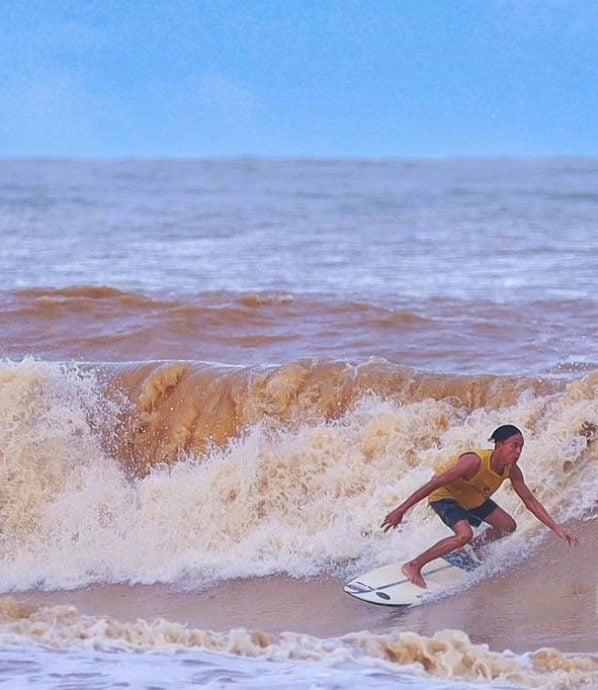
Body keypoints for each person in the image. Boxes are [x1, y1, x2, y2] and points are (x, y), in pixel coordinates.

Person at [380, 424, 580, 589]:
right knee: (464, 534)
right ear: (500, 445)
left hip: (472, 498)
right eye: (514, 446)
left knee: (507, 526)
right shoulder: (473, 461)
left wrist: (557, 528)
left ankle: (465, 548)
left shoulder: (512, 470)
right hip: (445, 496)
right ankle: (414, 565)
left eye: (521, 447)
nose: (518, 452)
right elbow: (436, 483)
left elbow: (531, 502)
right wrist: (401, 510)